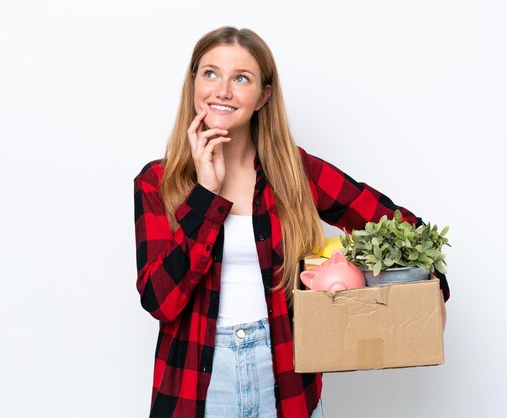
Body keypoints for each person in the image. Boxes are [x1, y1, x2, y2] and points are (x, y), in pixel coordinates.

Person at [133, 26, 450, 418]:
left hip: (283, 379)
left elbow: (403, 227)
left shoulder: (295, 172)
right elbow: (159, 300)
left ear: (264, 95)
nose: (223, 90)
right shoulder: (156, 182)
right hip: (197, 386)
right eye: (210, 73)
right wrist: (205, 194)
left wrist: (430, 286)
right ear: (193, 82)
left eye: (241, 78)